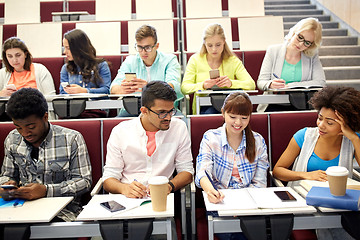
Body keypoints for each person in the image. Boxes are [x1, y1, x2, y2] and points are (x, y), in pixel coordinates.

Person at [273, 86, 360, 240]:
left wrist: (354, 138)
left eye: (330, 122)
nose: (321, 125)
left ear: (345, 123)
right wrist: (306, 175)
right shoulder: (304, 136)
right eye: (320, 118)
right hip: (305, 203)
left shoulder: (352, 139)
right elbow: (278, 171)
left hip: (339, 206)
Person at [0, 88, 92, 222]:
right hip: (20, 208)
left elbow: (84, 181)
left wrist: (46, 190)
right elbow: (7, 175)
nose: (25, 133)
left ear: (45, 116)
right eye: (18, 127)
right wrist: (7, 185)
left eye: (31, 127)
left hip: (63, 211)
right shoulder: (12, 139)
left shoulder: (71, 139)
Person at [195, 92, 268, 240]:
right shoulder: (211, 137)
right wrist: (210, 191)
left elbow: (260, 183)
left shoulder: (258, 141)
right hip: (220, 201)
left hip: (250, 204)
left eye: (244, 118)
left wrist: (242, 206)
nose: (238, 123)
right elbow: (202, 171)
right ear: (223, 113)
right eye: (233, 117)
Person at [103, 81, 193, 198]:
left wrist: (170, 185)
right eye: (162, 113)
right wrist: (124, 188)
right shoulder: (120, 131)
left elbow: (187, 172)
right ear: (144, 111)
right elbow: (108, 179)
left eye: (171, 111)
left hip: (161, 198)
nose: (169, 117)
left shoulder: (179, 128)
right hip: (126, 198)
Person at [181, 23, 255, 114]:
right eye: (210, 45)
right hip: (204, 107)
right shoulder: (195, 60)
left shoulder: (233, 60)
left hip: (230, 107)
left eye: (218, 45)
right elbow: (184, 88)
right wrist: (203, 85)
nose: (214, 50)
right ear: (204, 43)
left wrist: (231, 83)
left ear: (224, 41)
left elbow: (251, 84)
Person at [110, 25, 183, 117]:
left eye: (147, 47)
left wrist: (149, 87)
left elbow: (174, 86)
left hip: (164, 110)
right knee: (115, 127)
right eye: (140, 47)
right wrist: (124, 89)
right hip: (132, 110)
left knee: (182, 124)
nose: (143, 52)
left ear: (157, 46)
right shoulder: (130, 61)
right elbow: (113, 89)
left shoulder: (169, 60)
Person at [257, 17, 326, 112]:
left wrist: (292, 85)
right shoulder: (273, 51)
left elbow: (320, 82)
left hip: (303, 105)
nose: (301, 44)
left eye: (307, 43)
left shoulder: (312, 56)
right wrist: (270, 84)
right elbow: (261, 82)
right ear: (294, 32)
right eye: (300, 37)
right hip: (273, 104)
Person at [60, 29, 111, 118]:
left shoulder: (101, 65)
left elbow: (106, 90)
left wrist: (84, 91)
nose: (65, 52)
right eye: (64, 48)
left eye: (68, 48)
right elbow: (62, 93)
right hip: (72, 111)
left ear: (79, 48)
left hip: (96, 110)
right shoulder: (66, 68)